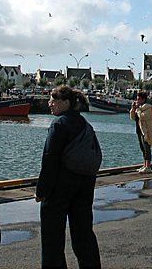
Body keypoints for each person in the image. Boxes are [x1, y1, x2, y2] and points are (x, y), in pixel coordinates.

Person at [35, 85, 101, 269]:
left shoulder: (59, 124)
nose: (50, 104)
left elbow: (50, 158)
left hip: (61, 184)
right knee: (83, 233)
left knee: (52, 237)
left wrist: (42, 190)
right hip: (85, 182)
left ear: (66, 103)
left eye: (53, 101)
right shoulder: (84, 124)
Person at [130, 91, 152, 174]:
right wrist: (133, 109)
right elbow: (133, 117)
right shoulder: (139, 109)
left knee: (147, 147)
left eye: (139, 99)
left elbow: (143, 116)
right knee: (142, 148)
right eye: (137, 99)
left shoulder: (148, 108)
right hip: (139, 130)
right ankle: (145, 165)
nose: (137, 101)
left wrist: (137, 109)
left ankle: (148, 166)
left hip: (146, 131)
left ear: (143, 99)